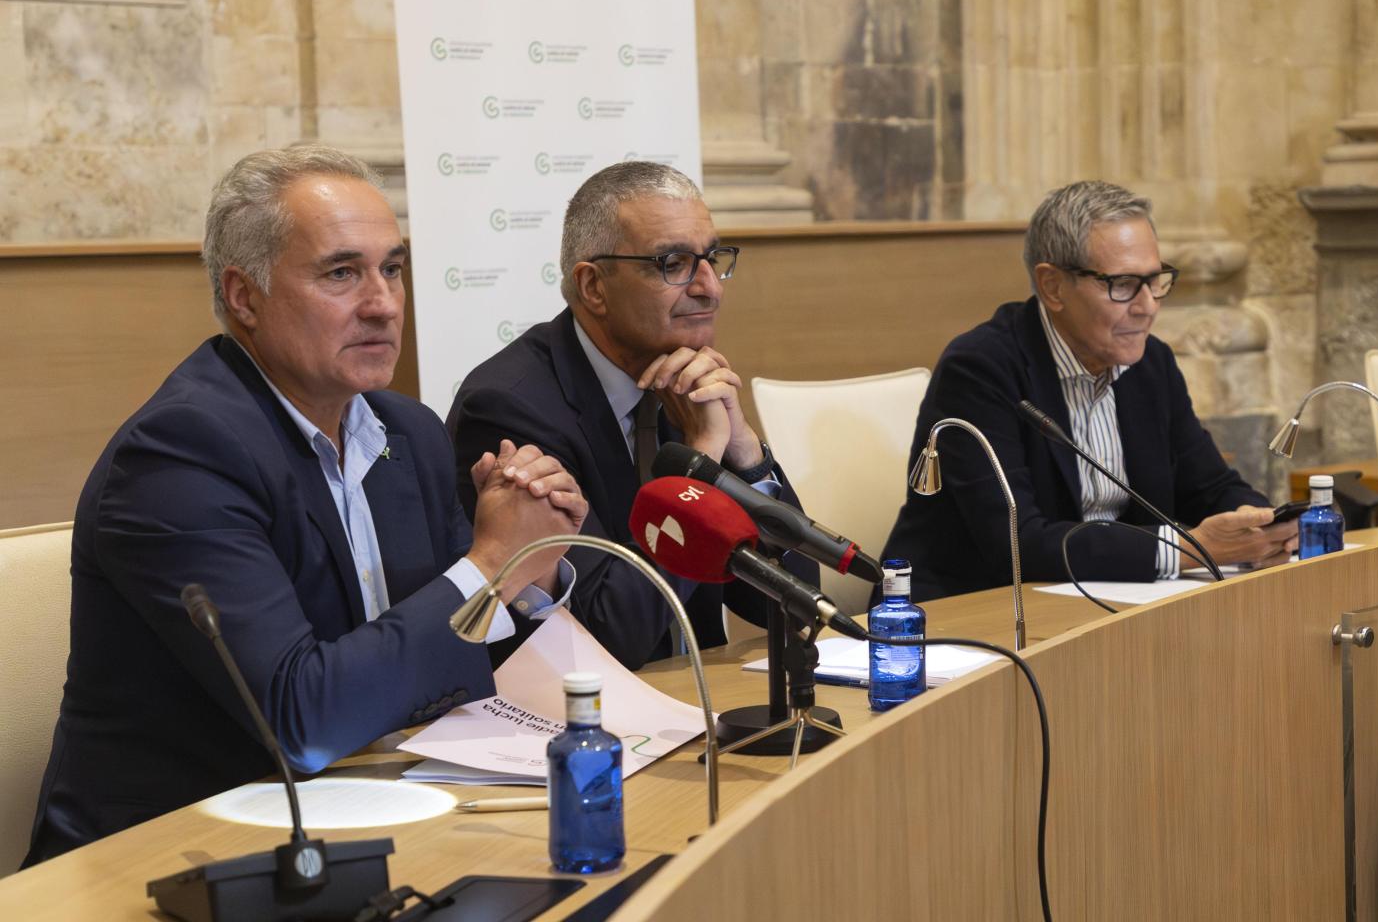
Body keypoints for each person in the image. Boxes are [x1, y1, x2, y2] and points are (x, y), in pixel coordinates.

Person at [24, 145, 587, 864]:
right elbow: (300, 718)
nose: (383, 302)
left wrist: (530, 575)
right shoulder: (180, 452)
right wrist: (490, 565)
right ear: (243, 295)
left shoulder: (405, 432)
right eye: (342, 273)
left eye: (392, 268)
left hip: (371, 822)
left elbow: (448, 661)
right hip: (174, 861)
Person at [447, 161, 816, 669]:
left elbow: (791, 597)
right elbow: (612, 632)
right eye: (673, 263)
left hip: (697, 696)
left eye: (711, 258)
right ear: (594, 287)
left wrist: (744, 448)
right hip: (578, 717)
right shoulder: (509, 408)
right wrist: (702, 459)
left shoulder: (685, 384)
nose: (710, 287)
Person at [882, 180, 1294, 602]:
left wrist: (1256, 523)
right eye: (1123, 284)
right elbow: (1017, 543)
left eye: (1155, 281)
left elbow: (1209, 486)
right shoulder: (980, 369)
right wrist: (1187, 549)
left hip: (1106, 601)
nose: (1148, 305)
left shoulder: (1151, 364)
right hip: (967, 613)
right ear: (1053, 287)